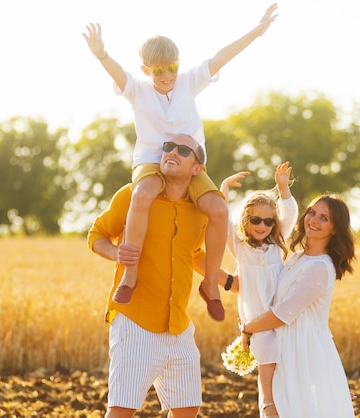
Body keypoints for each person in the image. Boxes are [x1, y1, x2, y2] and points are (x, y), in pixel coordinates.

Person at [82, 4, 279, 321]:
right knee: (142, 194)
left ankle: (211, 287)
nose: (167, 76)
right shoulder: (139, 91)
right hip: (151, 160)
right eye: (158, 71)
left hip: (190, 162)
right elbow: (119, 74)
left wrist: (257, 31)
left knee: (217, 209)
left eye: (171, 68)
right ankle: (130, 275)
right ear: (147, 71)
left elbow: (222, 56)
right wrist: (102, 54)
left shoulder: (189, 82)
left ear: (178, 65)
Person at [88, 134, 234, 418]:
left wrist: (227, 281)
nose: (172, 152)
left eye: (183, 150)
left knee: (187, 409)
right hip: (136, 321)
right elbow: (96, 235)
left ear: (197, 169)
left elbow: (193, 255)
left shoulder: (199, 211)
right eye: (168, 147)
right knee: (121, 410)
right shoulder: (133, 195)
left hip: (179, 325)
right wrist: (116, 253)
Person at [232, 194, 358, 418]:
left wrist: (248, 328)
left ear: (335, 229)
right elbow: (263, 287)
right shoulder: (297, 257)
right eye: (311, 213)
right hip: (285, 350)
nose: (314, 220)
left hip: (304, 353)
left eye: (324, 218)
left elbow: (282, 314)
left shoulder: (320, 266)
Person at [219, 162, 298, 418]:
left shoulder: (277, 245)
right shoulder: (241, 250)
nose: (262, 225)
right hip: (258, 325)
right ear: (246, 219)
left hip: (282, 321)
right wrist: (224, 190)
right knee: (267, 382)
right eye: (255, 220)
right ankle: (268, 411)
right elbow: (221, 221)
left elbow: (290, 213)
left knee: (286, 379)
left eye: (268, 221)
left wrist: (283, 188)